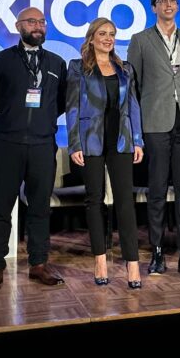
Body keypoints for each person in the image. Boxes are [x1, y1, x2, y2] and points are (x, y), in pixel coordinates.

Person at [0, 7, 68, 294]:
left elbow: (61, 101)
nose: (38, 26)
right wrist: (7, 120)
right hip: (7, 144)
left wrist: (42, 123)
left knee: (40, 207)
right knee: (1, 207)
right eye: (32, 21)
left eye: (42, 22)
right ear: (18, 26)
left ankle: (39, 263)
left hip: (43, 144)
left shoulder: (56, 62)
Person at [127, 0, 180, 280]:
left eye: (173, 0)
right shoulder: (140, 40)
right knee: (157, 189)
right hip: (155, 123)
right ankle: (157, 252)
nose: (169, 4)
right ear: (153, 7)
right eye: (163, 1)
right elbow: (133, 87)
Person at [66, 18, 145, 289]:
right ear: (92, 37)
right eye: (102, 33)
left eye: (112, 34)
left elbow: (133, 105)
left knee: (125, 201)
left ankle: (132, 264)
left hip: (121, 140)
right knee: (95, 201)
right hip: (91, 141)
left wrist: (137, 140)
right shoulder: (77, 68)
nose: (108, 38)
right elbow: (73, 108)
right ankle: (100, 259)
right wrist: (74, 144)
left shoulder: (125, 69)